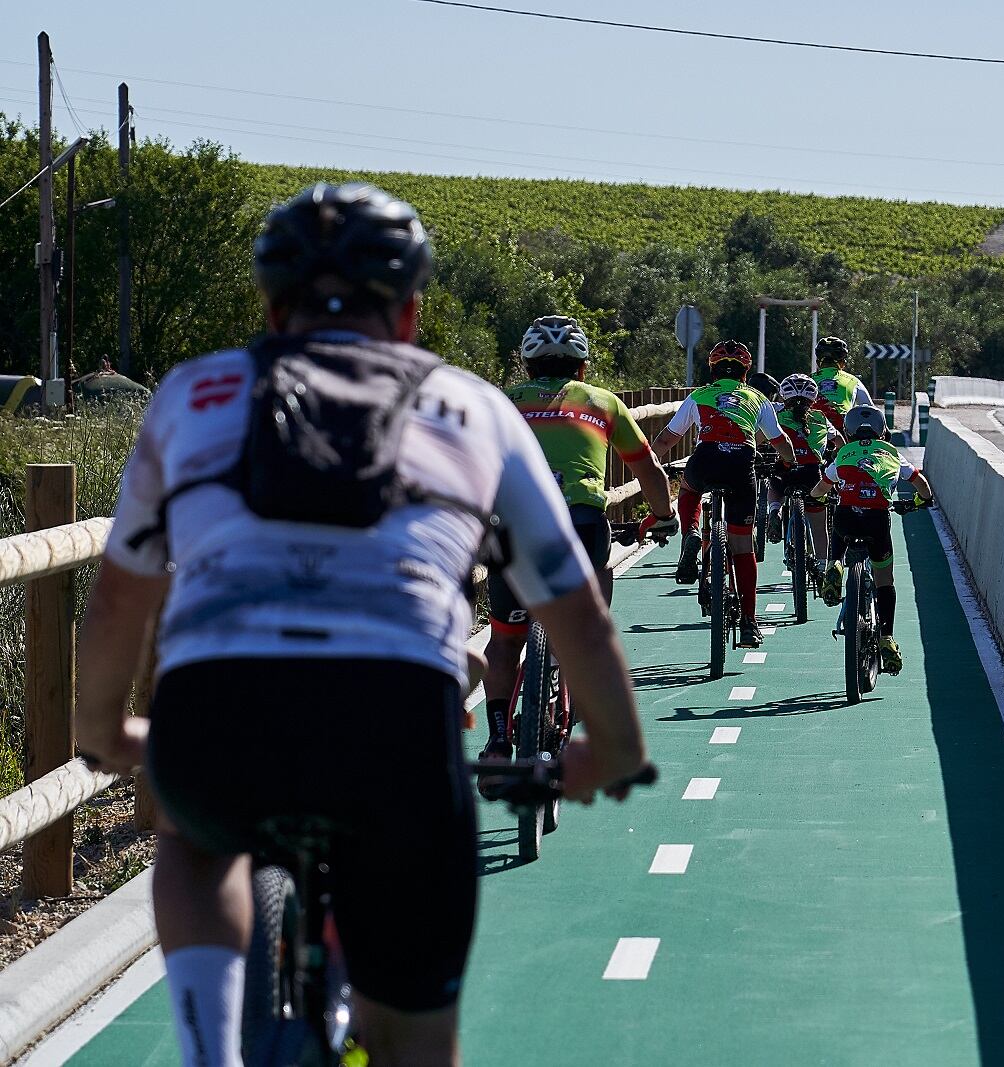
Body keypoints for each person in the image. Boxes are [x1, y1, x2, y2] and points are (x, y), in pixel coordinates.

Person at [74, 182, 650, 1067]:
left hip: (217, 707)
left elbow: (122, 594)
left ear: (272, 305)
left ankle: (206, 1046)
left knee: (195, 836)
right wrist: (609, 747)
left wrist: (103, 730)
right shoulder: (474, 407)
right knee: (416, 1038)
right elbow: (573, 610)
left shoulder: (192, 394)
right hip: (394, 720)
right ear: (412, 311)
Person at [479, 315, 678, 759]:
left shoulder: (500, 403)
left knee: (505, 638)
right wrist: (663, 516)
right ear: (583, 368)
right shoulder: (603, 402)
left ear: (526, 367)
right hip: (580, 523)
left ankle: (496, 740)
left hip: (512, 527)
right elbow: (648, 470)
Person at [650, 340, 795, 648]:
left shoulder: (699, 396)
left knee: (689, 488)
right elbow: (781, 442)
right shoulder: (757, 398)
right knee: (743, 546)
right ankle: (749, 624)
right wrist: (787, 462)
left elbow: (666, 439)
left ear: (713, 370)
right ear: (745, 372)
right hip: (741, 465)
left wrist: (652, 464)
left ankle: (690, 531)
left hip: (705, 460)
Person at [813, 403, 933, 676]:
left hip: (847, 517)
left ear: (849, 430)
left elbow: (822, 485)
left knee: (839, 523)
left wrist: (816, 497)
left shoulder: (844, 453)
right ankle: (886, 637)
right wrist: (919, 501)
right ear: (882, 431)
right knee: (885, 580)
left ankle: (835, 564)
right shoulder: (892, 453)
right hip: (877, 519)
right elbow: (921, 485)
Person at [765, 373, 841, 562]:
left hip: (786, 471)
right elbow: (840, 442)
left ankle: (775, 510)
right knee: (819, 527)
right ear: (813, 398)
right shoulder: (820, 417)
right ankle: (823, 566)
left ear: (784, 395)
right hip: (812, 475)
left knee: (773, 484)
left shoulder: (777, 415)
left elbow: (758, 438)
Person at [813, 335, 874, 432]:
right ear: (842, 363)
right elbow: (871, 411)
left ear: (817, 363)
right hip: (843, 429)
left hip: (813, 428)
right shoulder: (853, 381)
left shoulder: (808, 380)